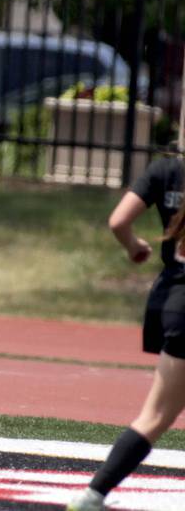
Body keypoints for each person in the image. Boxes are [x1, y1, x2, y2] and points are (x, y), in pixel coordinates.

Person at [68, 155, 185, 510]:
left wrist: (135, 247)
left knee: (156, 415)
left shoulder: (167, 170)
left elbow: (119, 221)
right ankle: (91, 497)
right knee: (157, 416)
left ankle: (92, 496)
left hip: (170, 298)